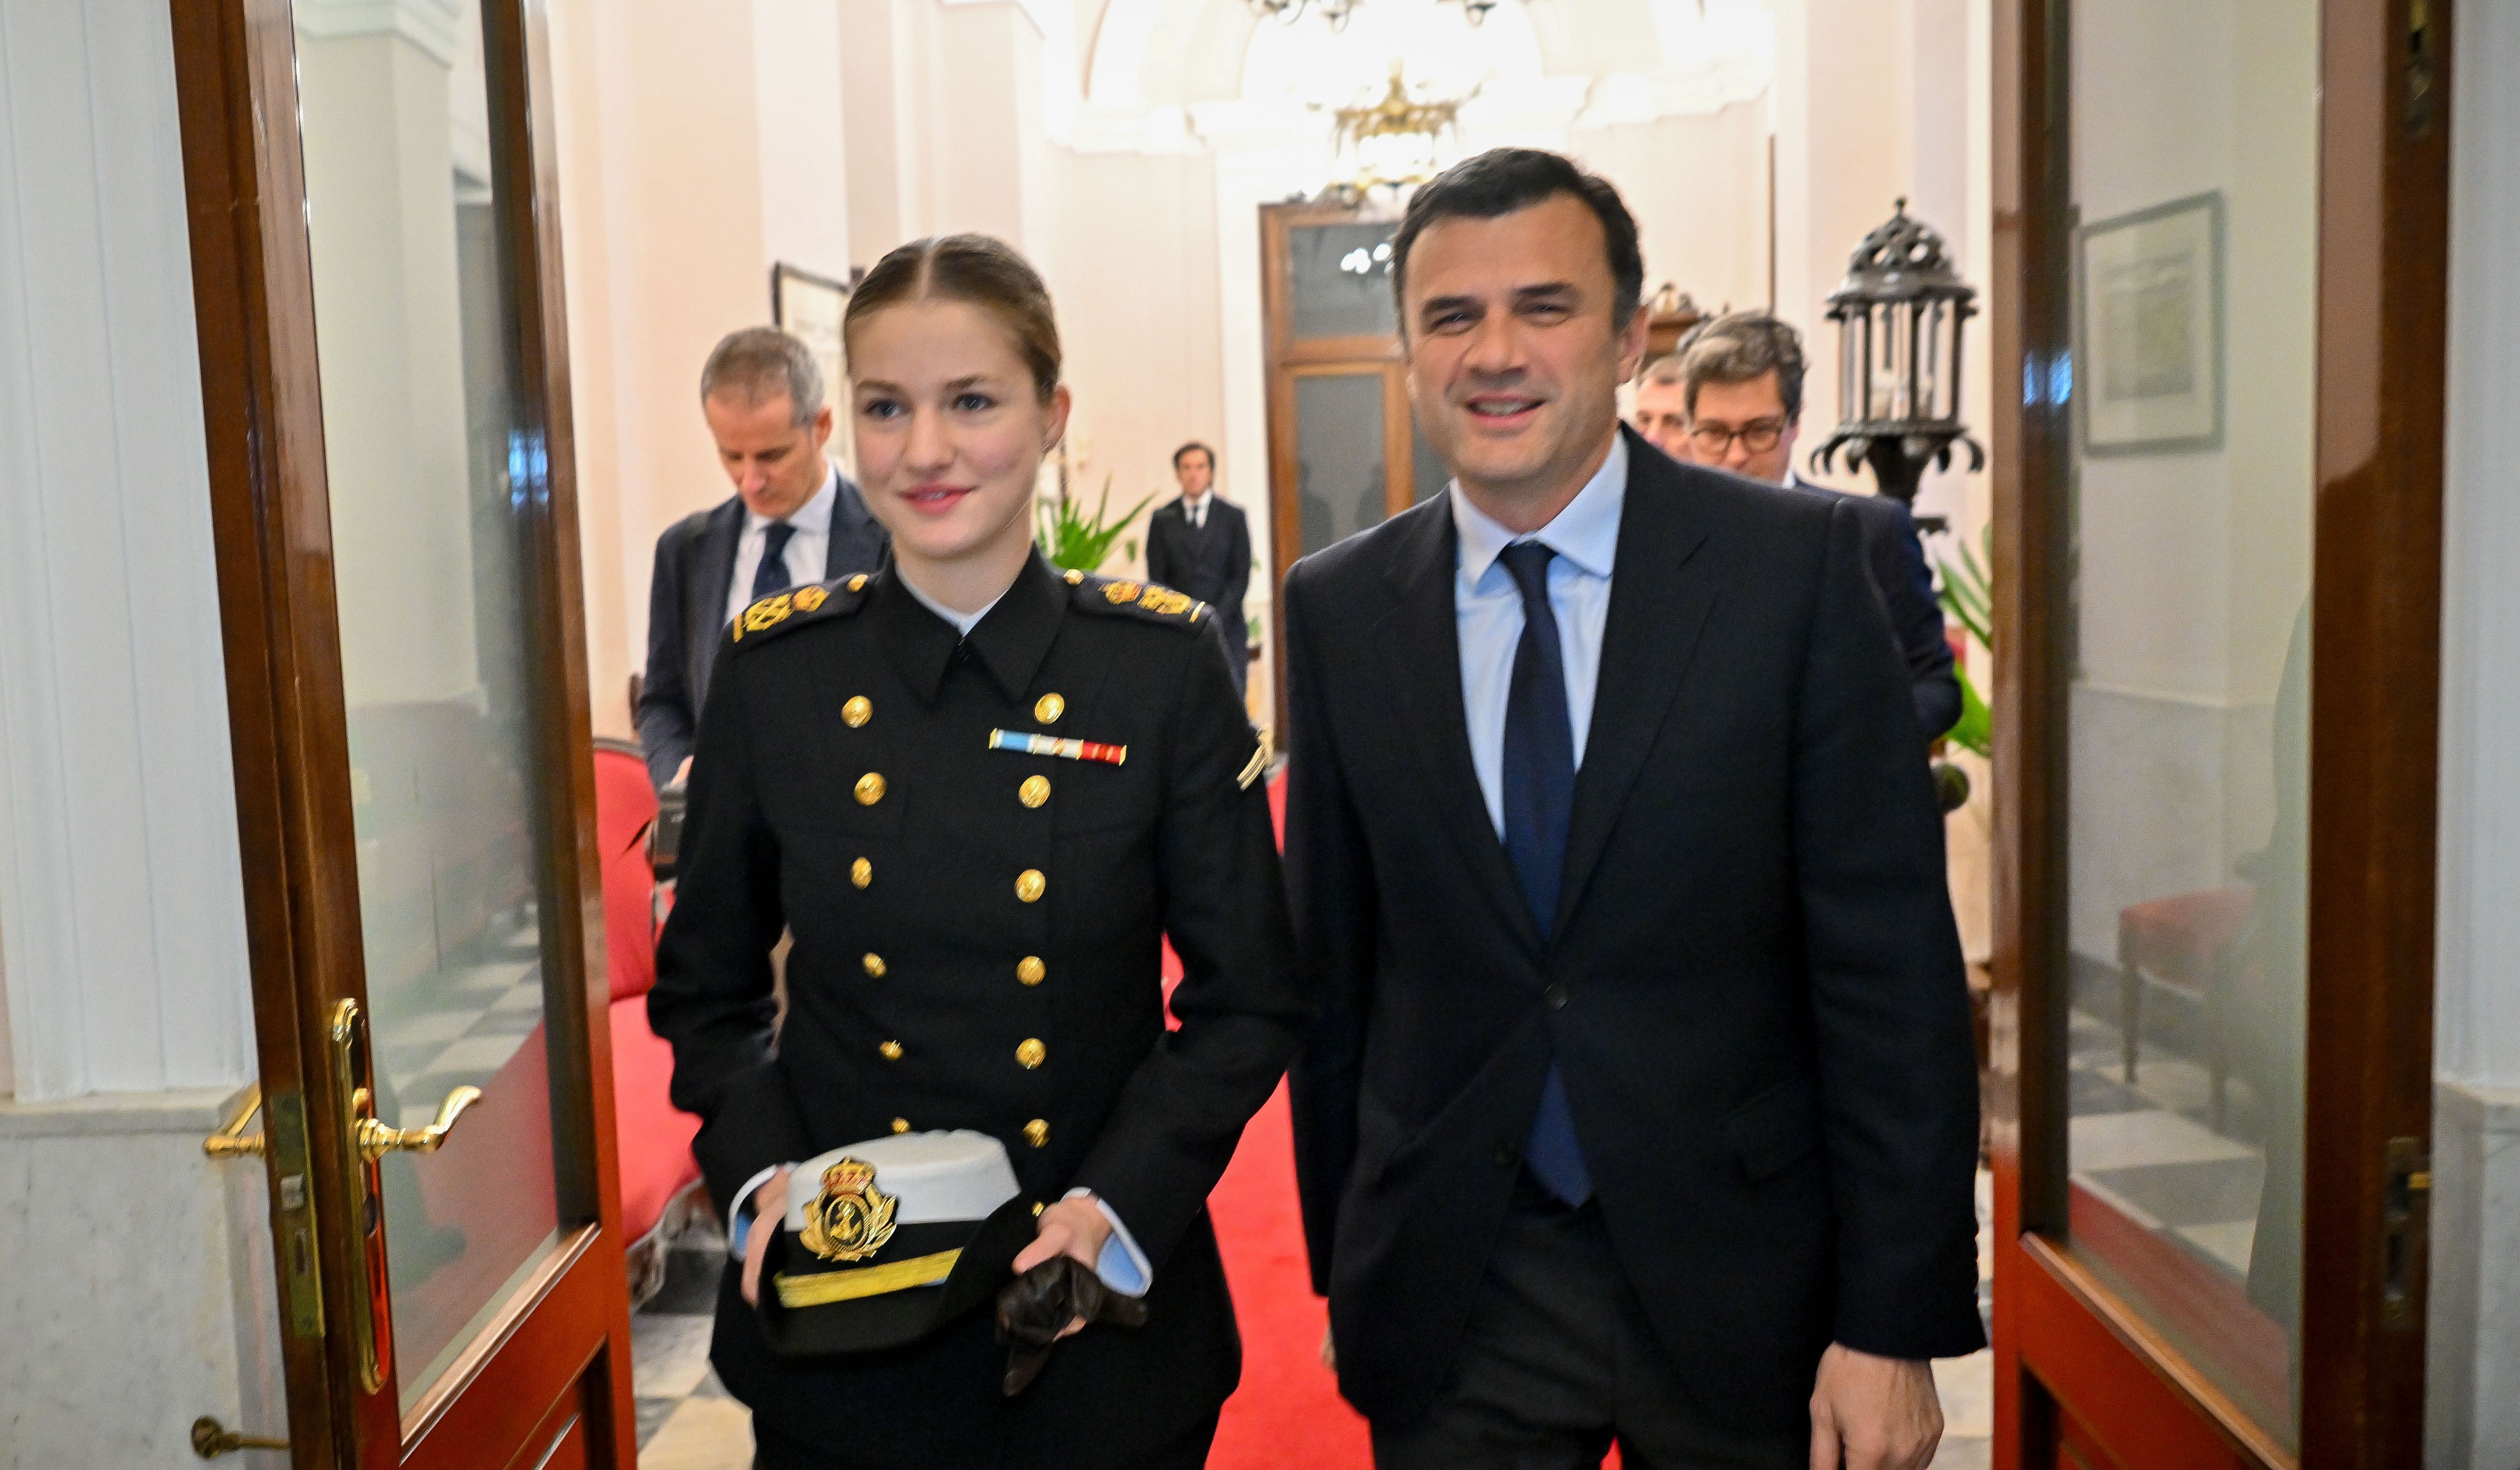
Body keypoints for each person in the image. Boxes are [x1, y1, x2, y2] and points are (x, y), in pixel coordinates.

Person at [1283, 148, 1982, 1470]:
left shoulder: (1797, 577)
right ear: (1409, 348)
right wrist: (1347, 1268)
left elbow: (1888, 977)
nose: (1494, 352)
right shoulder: (1337, 609)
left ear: (1624, 336)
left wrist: (1891, 1322)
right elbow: (1335, 980)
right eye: (1450, 316)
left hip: (1747, 1284)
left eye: (1542, 307)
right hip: (1460, 1288)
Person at [647, 236, 1305, 1469]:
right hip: (845, 1318)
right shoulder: (778, 672)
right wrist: (760, 1171)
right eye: (890, 408)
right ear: (850, 424)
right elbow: (707, 986)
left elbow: (1247, 997)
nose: (928, 450)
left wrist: (1114, 1199)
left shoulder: (1156, 670)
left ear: (1052, 415)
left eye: (974, 402)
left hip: (1092, 1317)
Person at [1634, 316, 1960, 740]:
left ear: (1794, 424)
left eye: (1758, 432)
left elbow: (1935, 687)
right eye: (1714, 432)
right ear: (1690, 426)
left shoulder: (1871, 532)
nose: (1735, 456)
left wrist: (1852, 746)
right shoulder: (1646, 541)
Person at [636, 326, 892, 791]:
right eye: (731, 455)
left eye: (772, 455)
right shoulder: (684, 552)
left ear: (821, 427)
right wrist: (680, 775)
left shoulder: (894, 541)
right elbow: (663, 703)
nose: (750, 481)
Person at [1144, 442, 1253, 699]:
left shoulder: (1233, 517)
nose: (1194, 474)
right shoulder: (1162, 519)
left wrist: (1213, 617)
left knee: (1230, 705)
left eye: (1201, 467)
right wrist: (1185, 617)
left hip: (1227, 628)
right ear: (1178, 474)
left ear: (1211, 472)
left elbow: (1240, 576)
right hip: (1179, 631)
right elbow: (1157, 578)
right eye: (1187, 467)